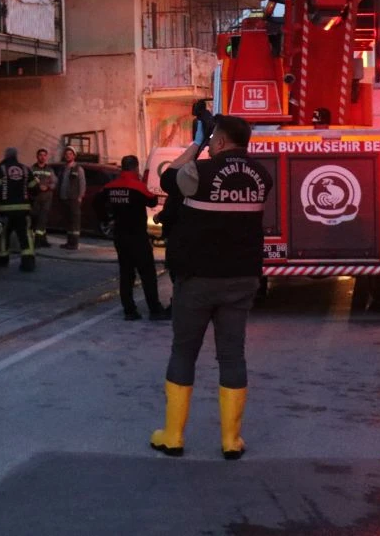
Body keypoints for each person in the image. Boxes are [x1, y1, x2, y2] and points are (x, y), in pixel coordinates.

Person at [150, 111, 272, 461]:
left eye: (213, 138)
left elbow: (168, 177)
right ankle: (231, 440)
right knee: (232, 356)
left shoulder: (198, 172)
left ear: (218, 141)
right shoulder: (262, 176)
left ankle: (173, 436)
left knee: (184, 352)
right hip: (242, 280)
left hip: (198, 280)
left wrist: (196, 143)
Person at [95, 155, 170, 322]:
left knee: (126, 273)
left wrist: (107, 219)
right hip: (138, 236)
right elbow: (152, 201)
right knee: (147, 273)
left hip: (120, 236)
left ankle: (129, 310)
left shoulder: (110, 187)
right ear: (135, 168)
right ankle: (154, 309)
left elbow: (97, 202)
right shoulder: (138, 186)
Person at [0, 147, 39, 272]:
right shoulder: (26, 169)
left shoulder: (0, 170)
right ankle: (28, 262)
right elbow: (34, 189)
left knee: (3, 235)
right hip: (23, 210)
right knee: (25, 235)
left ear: (5, 156)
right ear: (16, 156)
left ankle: (2, 260)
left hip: (4, 210)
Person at [58, 147, 87, 250]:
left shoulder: (78, 168)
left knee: (75, 222)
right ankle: (69, 242)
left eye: (70, 154)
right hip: (64, 199)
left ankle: (74, 244)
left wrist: (80, 196)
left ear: (74, 156)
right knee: (68, 221)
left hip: (74, 199)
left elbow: (82, 184)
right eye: (66, 154)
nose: (68, 155)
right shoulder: (63, 168)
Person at [30, 148, 57, 248]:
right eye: (40, 155)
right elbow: (28, 183)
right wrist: (37, 186)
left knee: (43, 219)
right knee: (36, 219)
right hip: (35, 197)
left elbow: (54, 182)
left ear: (47, 157)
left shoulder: (50, 170)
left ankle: (39, 241)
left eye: (44, 155)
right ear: (37, 156)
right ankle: (41, 240)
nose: (42, 157)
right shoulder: (32, 169)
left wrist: (48, 187)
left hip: (47, 198)